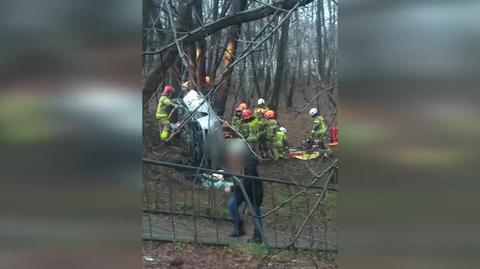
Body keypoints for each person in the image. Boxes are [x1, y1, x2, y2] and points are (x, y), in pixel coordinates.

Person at [224, 139, 264, 243]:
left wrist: (232, 188)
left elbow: (248, 180)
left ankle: (258, 236)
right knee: (232, 205)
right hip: (242, 190)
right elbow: (237, 175)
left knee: (255, 214)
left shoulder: (249, 163)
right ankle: (239, 227)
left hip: (253, 192)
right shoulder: (238, 162)